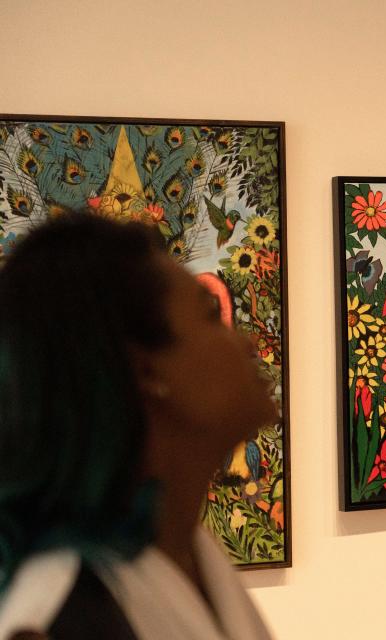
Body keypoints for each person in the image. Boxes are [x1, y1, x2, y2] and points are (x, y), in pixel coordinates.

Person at [0, 214, 277, 639]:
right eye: (207, 316)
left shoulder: (189, 554)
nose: (248, 342)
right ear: (146, 370)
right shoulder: (63, 617)